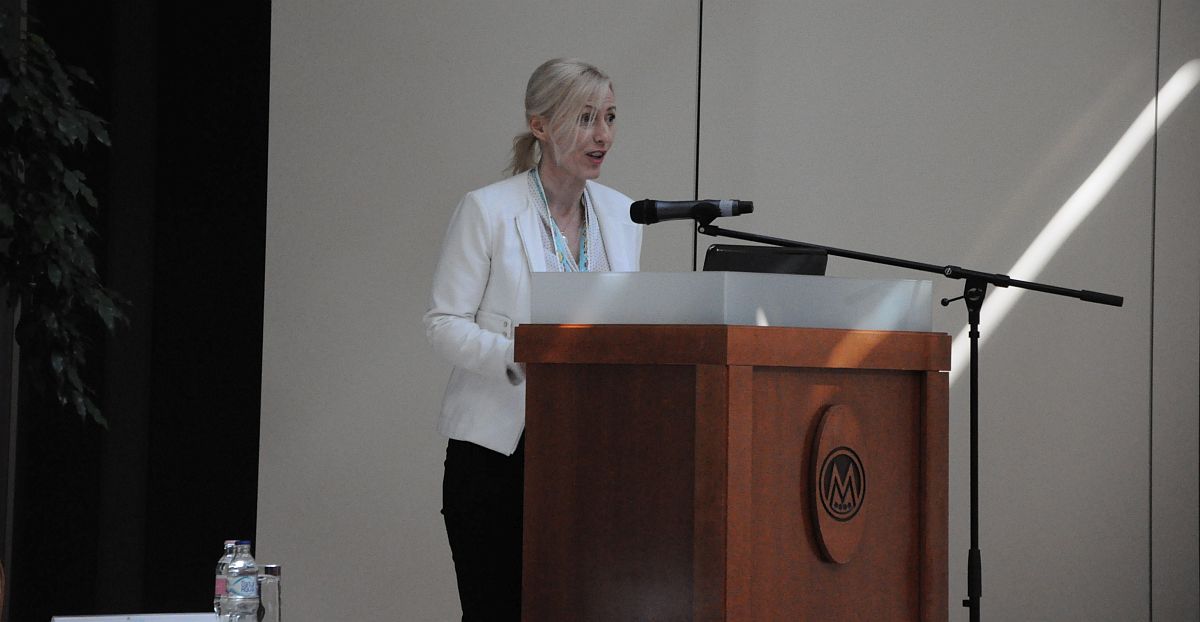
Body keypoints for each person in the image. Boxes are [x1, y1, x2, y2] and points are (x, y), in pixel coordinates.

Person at [423, 58, 643, 621]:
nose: (602, 135)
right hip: (497, 453)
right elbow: (444, 323)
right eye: (585, 118)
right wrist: (521, 359)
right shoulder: (488, 210)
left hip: (589, 451)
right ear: (539, 124)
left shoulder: (623, 215)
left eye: (610, 117)